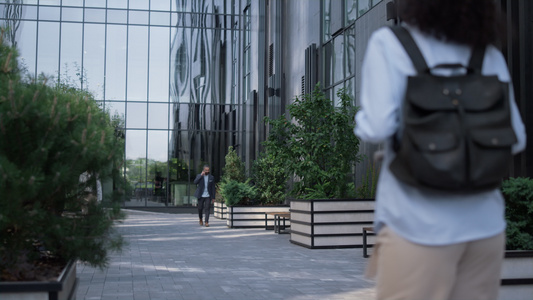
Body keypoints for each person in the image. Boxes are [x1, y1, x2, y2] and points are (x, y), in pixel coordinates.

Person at [354, 1, 527, 299]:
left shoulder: (391, 43)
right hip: (484, 228)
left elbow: (375, 127)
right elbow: (517, 138)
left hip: (416, 227)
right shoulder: (487, 53)